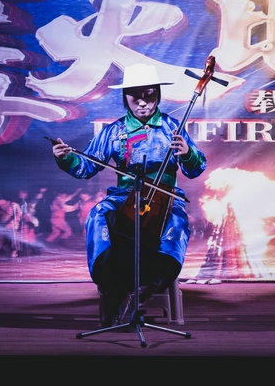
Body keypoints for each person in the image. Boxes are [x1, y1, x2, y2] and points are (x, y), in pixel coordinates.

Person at [51, 63, 207, 327]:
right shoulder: (114, 131)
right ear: (125, 97)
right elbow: (85, 167)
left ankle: (155, 279)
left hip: (165, 197)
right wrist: (66, 158)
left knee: (176, 222)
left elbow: (196, 169)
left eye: (149, 95)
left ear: (158, 94)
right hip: (124, 196)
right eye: (136, 96)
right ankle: (109, 280)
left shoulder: (172, 127)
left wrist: (187, 153)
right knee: (99, 213)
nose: (143, 103)